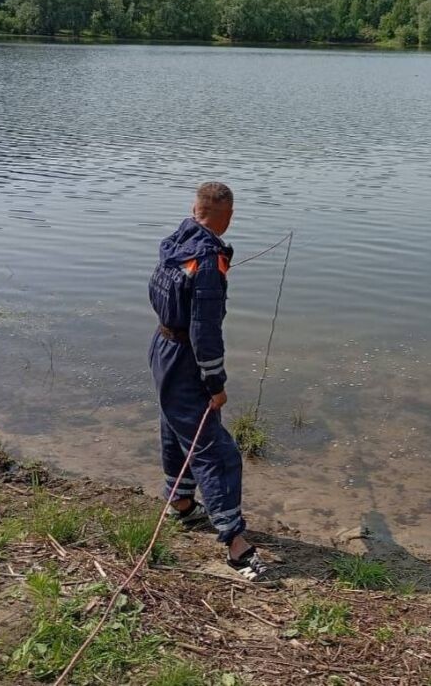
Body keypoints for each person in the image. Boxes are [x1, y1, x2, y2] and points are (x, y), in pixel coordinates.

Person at [148, 182, 267, 580]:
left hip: (161, 346)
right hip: (185, 357)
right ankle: (235, 543)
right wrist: (215, 382)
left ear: (194, 209)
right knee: (216, 450)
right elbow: (205, 330)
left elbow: (159, 293)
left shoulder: (176, 241)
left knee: (175, 425)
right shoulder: (208, 259)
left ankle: (181, 503)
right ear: (228, 217)